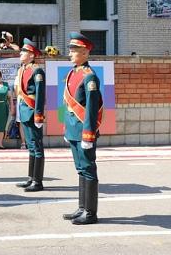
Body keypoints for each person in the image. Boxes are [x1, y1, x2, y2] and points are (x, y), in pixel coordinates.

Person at [62, 32, 103, 225]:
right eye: (70, 50)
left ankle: (91, 212)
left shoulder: (89, 77)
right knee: (80, 170)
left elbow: (92, 110)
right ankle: (82, 207)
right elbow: (69, 105)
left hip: (83, 132)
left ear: (85, 52)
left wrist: (88, 135)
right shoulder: (73, 73)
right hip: (73, 130)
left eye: (74, 50)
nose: (70, 53)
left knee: (88, 169)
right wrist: (67, 129)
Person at [14, 38, 46, 192]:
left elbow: (40, 94)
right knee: (31, 147)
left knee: (37, 147)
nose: (21, 53)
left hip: (32, 111)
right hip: (25, 110)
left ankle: (38, 182)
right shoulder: (23, 69)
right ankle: (30, 178)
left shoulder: (36, 70)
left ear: (32, 55)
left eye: (24, 51)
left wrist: (39, 115)